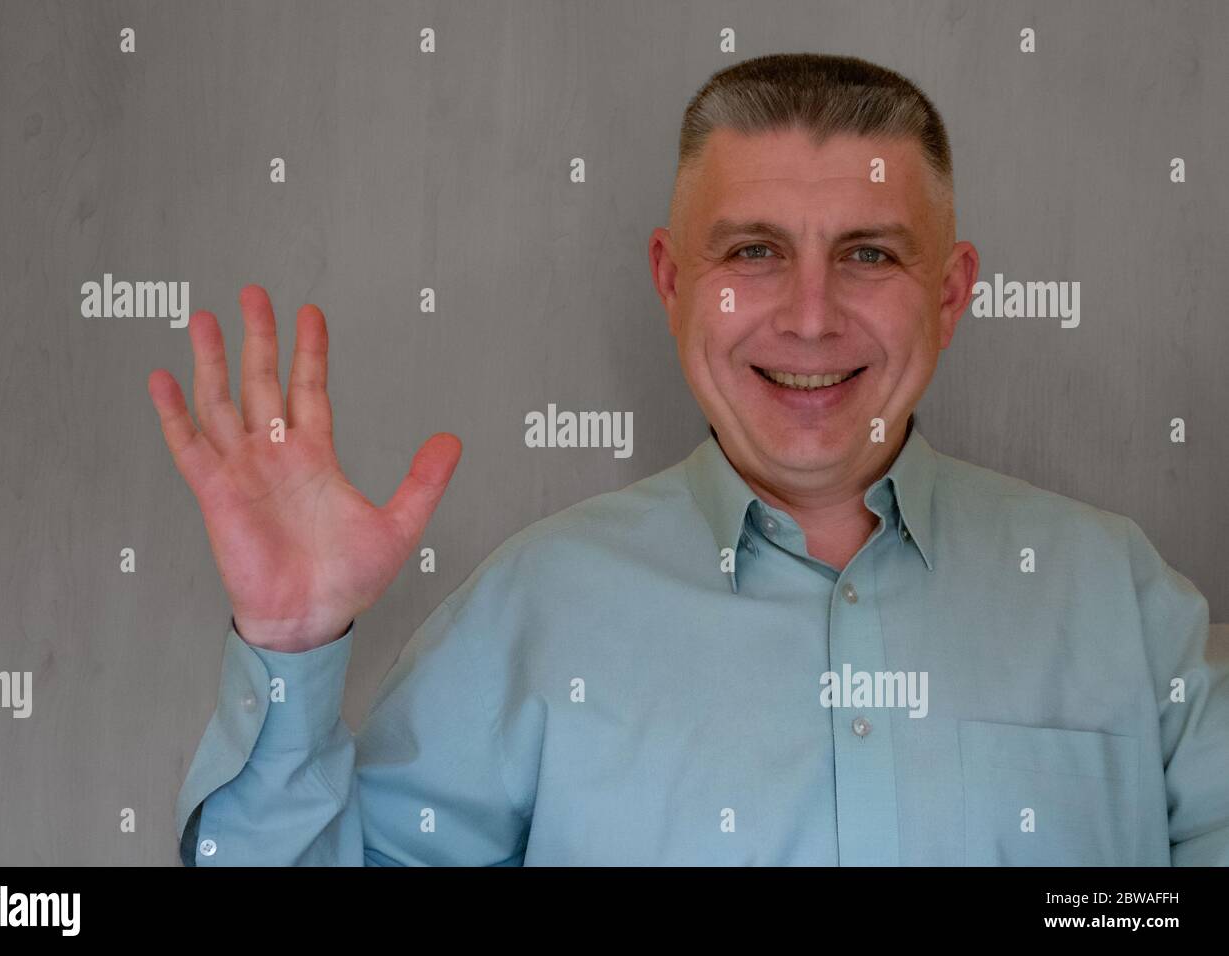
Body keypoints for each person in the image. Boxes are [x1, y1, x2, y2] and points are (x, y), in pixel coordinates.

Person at [148, 53, 1227, 865]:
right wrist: (290, 647)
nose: (810, 319)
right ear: (672, 283)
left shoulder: (1116, 596)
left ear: (948, 293)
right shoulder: (541, 607)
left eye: (867, 254)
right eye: (753, 252)